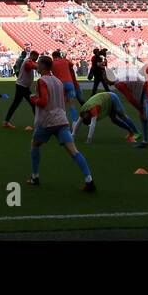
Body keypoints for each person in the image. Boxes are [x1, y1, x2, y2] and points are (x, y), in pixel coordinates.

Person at [26, 54, 96, 192]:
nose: (37, 65)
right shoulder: (58, 81)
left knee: (35, 145)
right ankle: (89, 179)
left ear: (43, 66)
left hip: (47, 121)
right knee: (74, 151)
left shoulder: (42, 81)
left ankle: (35, 177)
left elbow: (44, 101)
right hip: (61, 120)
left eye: (38, 63)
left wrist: (33, 99)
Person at [75, 89, 142, 145]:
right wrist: (72, 136)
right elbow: (78, 124)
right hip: (108, 101)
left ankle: (136, 132)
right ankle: (131, 132)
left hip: (112, 97)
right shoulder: (83, 112)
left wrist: (89, 140)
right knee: (114, 119)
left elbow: (92, 125)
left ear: (88, 117)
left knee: (122, 116)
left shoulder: (93, 109)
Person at [3, 50, 39, 128]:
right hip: (22, 87)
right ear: (33, 55)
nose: (36, 59)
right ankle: (39, 123)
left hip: (22, 86)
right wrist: (41, 66)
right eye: (36, 57)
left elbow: (34, 65)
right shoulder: (27, 62)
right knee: (33, 104)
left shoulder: (29, 61)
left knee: (16, 104)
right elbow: (32, 66)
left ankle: (6, 122)